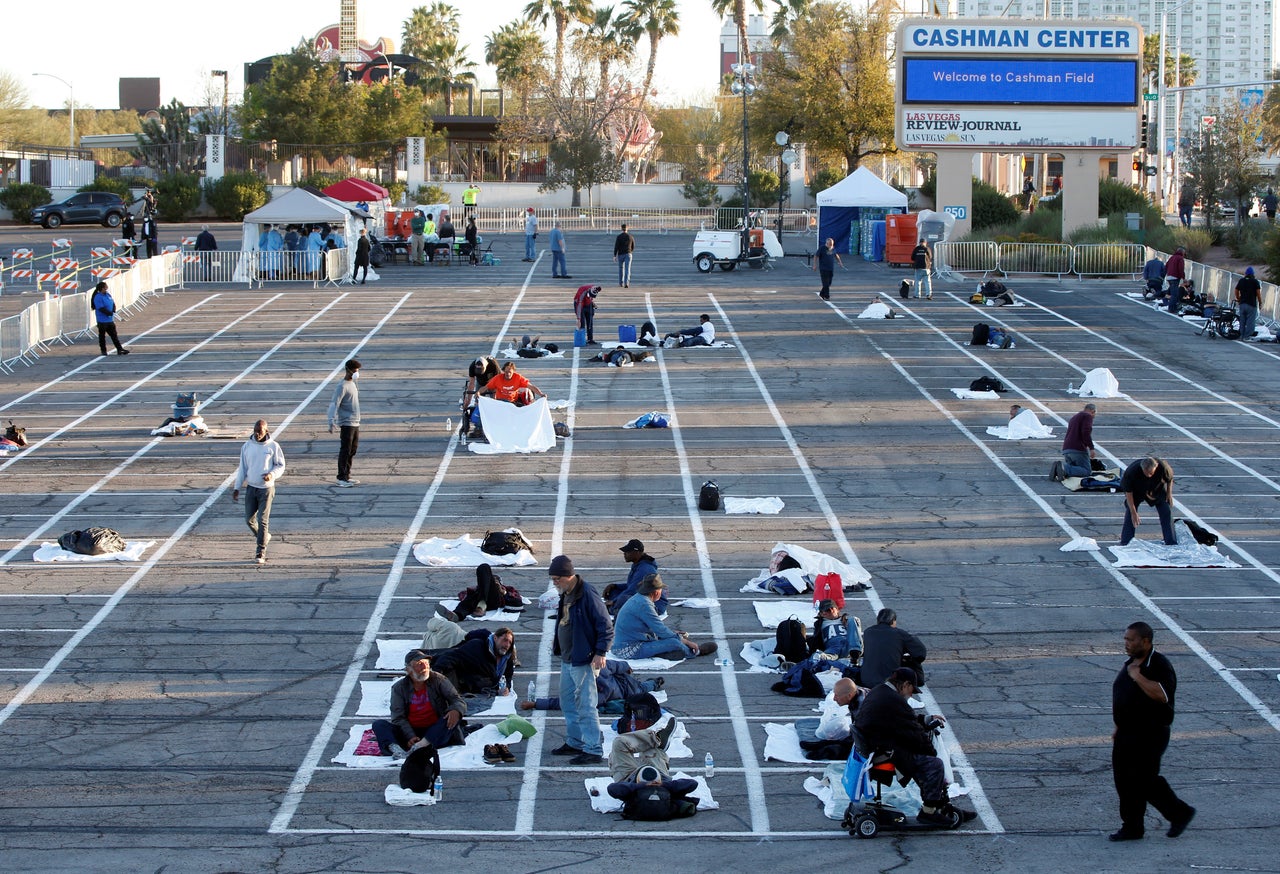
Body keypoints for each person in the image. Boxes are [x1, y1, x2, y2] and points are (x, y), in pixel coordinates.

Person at [854, 667, 976, 826]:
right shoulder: (893, 700)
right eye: (912, 689)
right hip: (883, 751)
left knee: (922, 760)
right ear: (905, 685)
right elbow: (913, 732)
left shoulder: (881, 691)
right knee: (934, 765)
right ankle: (929, 811)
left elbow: (904, 719)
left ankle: (938, 804)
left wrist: (926, 719)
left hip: (877, 744)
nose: (911, 694)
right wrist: (931, 753)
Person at [1109, 621, 1195, 841]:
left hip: (1149, 733)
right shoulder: (1132, 662)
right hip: (1127, 733)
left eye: (1131, 640)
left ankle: (1180, 812)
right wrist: (1120, 725)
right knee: (1124, 781)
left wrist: (1137, 676)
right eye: (1125, 639)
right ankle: (1132, 827)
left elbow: (1162, 695)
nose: (1126, 643)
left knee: (1144, 779)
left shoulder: (1157, 664)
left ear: (1145, 641)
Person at [548, 554, 614, 765]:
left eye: (557, 578)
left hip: (583, 660)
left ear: (568, 575)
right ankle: (575, 742)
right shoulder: (566, 592)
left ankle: (593, 749)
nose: (554, 582)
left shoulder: (587, 594)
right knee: (568, 702)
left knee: (586, 705)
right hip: (568, 659)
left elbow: (605, 625)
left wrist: (600, 652)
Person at [371, 649, 467, 758]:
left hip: (435, 730)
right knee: (379, 724)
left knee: (452, 716)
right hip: (411, 731)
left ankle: (420, 747)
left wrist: (456, 710)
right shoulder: (399, 688)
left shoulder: (438, 679)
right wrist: (410, 736)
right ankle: (396, 750)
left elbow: (457, 700)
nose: (424, 667)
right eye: (419, 664)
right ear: (408, 670)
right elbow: (398, 717)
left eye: (426, 663)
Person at [613, 574, 716, 661]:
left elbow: (653, 628)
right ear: (656, 592)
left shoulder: (640, 599)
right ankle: (694, 652)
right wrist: (685, 641)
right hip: (629, 649)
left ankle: (660, 651)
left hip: (627, 643)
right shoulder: (644, 605)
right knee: (674, 643)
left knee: (671, 637)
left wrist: (672, 634)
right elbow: (660, 630)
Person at [606, 724, 699, 821]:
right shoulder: (666, 787)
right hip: (660, 775)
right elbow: (692, 783)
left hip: (629, 777)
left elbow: (612, 788)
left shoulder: (631, 793)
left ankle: (655, 739)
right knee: (653, 749)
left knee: (619, 742)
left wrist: (643, 785)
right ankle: (657, 740)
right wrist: (662, 785)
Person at [231, 418, 285, 565]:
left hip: (266, 489)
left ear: (266, 431)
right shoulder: (247, 446)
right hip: (251, 488)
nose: (257, 434)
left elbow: (280, 465)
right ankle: (264, 536)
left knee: (262, 520)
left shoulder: (273, 446)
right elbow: (242, 468)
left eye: (260, 431)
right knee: (249, 519)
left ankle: (260, 550)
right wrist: (237, 487)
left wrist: (271, 475)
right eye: (255, 431)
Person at [521, 657, 661, 713]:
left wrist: (626, 667)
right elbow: (563, 702)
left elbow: (616, 665)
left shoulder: (600, 669)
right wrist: (535, 704)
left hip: (626, 683)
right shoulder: (591, 694)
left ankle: (654, 683)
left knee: (643, 687)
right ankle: (653, 683)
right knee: (642, 688)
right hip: (627, 692)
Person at [428, 626, 516, 696]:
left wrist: (507, 687)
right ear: (495, 638)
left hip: (480, 689)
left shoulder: (507, 658)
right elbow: (451, 657)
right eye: (505, 640)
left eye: (509, 642)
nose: (507, 645)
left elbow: (508, 676)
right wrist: (436, 675)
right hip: (459, 683)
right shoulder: (478, 647)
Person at [800, 677, 867, 760]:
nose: (834, 699)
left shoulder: (862, 709)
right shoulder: (857, 693)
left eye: (837, 696)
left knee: (849, 748)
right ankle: (823, 745)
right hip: (868, 730)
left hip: (876, 739)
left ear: (849, 696)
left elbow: (861, 740)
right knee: (847, 739)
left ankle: (827, 751)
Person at [859, 608, 927, 687]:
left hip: (866, 680)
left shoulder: (868, 632)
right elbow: (921, 653)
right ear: (893, 621)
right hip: (890, 681)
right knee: (912, 660)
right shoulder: (899, 634)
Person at [1119, 456, 1176, 546]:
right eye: (1147, 473)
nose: (1149, 475)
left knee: (1166, 510)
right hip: (1137, 490)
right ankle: (1126, 542)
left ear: (1156, 467)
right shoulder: (1131, 472)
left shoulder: (1163, 467)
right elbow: (1128, 493)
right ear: (1142, 468)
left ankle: (1171, 541)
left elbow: (1170, 479)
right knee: (1131, 513)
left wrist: (1169, 494)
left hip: (1156, 488)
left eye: (1151, 473)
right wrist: (1134, 512)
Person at [606, 538, 664, 616]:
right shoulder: (638, 564)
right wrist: (615, 586)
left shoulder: (644, 569)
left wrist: (614, 601)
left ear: (636, 553)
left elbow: (633, 590)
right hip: (641, 595)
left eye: (627, 552)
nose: (624, 554)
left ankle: (614, 610)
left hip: (654, 605)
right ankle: (616, 607)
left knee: (623, 599)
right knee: (614, 590)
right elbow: (632, 584)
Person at [327, 359, 361, 487]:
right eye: (355, 371)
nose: (357, 373)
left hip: (355, 422)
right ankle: (341, 477)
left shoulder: (353, 384)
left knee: (352, 450)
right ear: (348, 370)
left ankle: (347, 475)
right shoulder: (342, 386)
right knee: (345, 450)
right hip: (347, 423)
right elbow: (334, 404)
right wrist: (331, 420)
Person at [439, 563, 515, 621]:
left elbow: (517, 603)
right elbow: (462, 596)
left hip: (493, 600)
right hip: (477, 600)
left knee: (484, 567)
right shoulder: (478, 588)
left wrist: (503, 593)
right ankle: (457, 615)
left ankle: (482, 606)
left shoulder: (507, 589)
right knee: (468, 601)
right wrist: (473, 592)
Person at [460, 356, 500, 440]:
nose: (479, 371)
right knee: (478, 402)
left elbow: (499, 381)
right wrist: (468, 400)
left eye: (481, 369)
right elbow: (471, 383)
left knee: (493, 404)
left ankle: (493, 427)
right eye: (477, 369)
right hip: (480, 382)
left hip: (492, 382)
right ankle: (478, 427)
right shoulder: (472, 366)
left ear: (485, 366)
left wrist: (495, 398)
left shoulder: (493, 365)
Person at [1054, 403, 1098, 481]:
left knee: (1075, 472)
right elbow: (1085, 432)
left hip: (1067, 449)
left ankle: (1061, 470)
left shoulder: (1075, 417)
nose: (1094, 416)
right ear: (1093, 411)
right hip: (1077, 448)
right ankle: (1064, 468)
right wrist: (1091, 448)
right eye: (1095, 414)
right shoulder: (1087, 416)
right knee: (1086, 471)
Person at [481, 360, 546, 406]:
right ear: (503, 371)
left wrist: (541, 394)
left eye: (510, 372)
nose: (508, 374)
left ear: (513, 372)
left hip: (513, 402)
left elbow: (531, 387)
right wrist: (478, 393)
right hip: (500, 402)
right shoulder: (497, 378)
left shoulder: (518, 378)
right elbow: (486, 387)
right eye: (506, 372)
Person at [90, 280, 130, 356]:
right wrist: (108, 312)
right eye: (105, 288)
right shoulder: (98, 297)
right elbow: (100, 308)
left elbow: (112, 302)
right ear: (101, 289)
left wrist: (113, 309)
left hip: (110, 320)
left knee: (114, 335)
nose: (106, 289)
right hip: (102, 320)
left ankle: (119, 349)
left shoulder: (108, 295)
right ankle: (103, 350)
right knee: (102, 336)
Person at [1234, 266, 1262, 342]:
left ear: (1246, 274)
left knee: (1242, 320)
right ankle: (1247, 336)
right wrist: (1260, 303)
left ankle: (1241, 335)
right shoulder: (1255, 282)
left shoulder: (1241, 280)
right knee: (1250, 321)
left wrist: (1238, 298)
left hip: (1242, 304)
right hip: (1251, 304)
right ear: (1253, 274)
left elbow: (1236, 290)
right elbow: (1258, 294)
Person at [1164, 247, 1187, 313]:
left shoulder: (1172, 257)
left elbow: (1166, 266)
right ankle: (1172, 308)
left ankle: (1171, 307)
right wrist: (1183, 277)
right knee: (1174, 294)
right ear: (1182, 252)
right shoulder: (1180, 258)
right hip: (1175, 277)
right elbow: (1181, 269)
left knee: (1173, 292)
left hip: (1169, 276)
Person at [614, 222, 635, 287]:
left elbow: (616, 246)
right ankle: (626, 283)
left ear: (621, 229)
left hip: (620, 254)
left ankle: (621, 283)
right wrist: (630, 251)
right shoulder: (630, 236)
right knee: (627, 269)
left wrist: (615, 255)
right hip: (628, 254)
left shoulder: (619, 237)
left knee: (621, 269)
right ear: (627, 228)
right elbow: (633, 246)